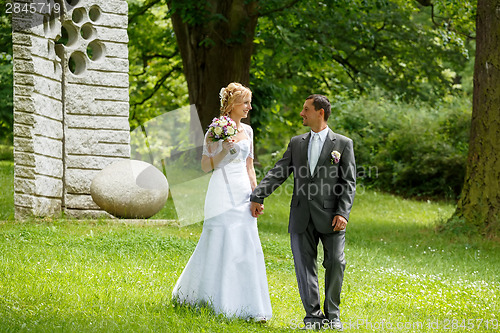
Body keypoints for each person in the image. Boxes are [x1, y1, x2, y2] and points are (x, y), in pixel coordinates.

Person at [250, 94, 356, 330]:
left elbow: (348, 182)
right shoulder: (297, 142)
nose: (302, 113)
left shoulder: (342, 144)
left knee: (336, 262)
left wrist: (343, 213)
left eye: (306, 109)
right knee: (304, 266)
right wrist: (258, 194)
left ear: (320, 112)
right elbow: (280, 170)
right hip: (301, 215)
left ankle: (333, 315)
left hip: (332, 216)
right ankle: (313, 317)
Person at [172, 82, 272, 322]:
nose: (249, 107)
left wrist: (256, 196)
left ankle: (249, 305)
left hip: (242, 192)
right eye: (245, 103)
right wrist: (223, 151)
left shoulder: (248, 131)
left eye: (249, 102)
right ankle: (212, 298)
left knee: (245, 242)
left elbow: (250, 167)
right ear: (232, 105)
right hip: (221, 190)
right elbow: (206, 166)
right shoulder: (214, 130)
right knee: (220, 239)